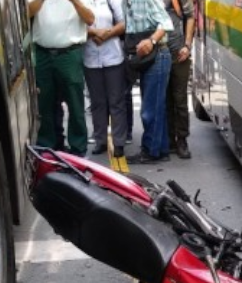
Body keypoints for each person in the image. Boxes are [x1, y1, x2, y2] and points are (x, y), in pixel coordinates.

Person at [28, 0, 95, 156]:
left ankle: (78, 149)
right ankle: (48, 147)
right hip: (43, 53)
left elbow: (90, 19)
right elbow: (27, 13)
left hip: (69, 54)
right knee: (45, 103)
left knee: (75, 103)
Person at [124, 0, 174, 165]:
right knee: (156, 106)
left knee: (150, 110)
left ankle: (150, 151)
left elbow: (166, 22)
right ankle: (161, 149)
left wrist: (151, 41)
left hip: (157, 54)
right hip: (146, 57)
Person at [84, 0, 128, 158]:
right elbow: (74, 26)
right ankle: (100, 140)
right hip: (90, 58)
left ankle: (119, 143)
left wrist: (106, 34)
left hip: (113, 56)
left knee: (116, 101)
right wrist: (94, 34)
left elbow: (124, 23)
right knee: (97, 102)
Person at [164, 0, 195, 159]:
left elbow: (190, 16)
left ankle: (182, 139)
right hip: (159, 52)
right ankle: (169, 139)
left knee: (180, 98)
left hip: (179, 53)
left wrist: (187, 46)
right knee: (165, 99)